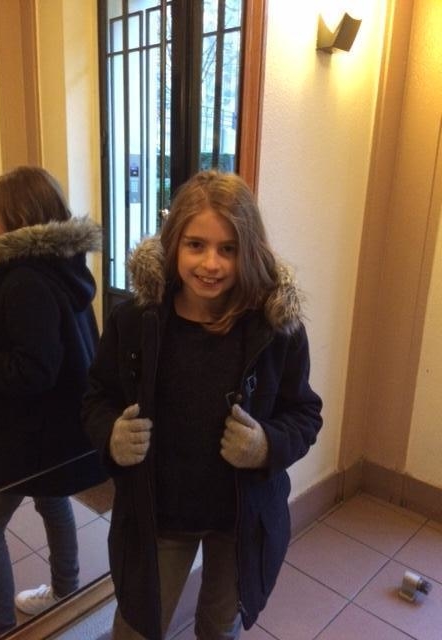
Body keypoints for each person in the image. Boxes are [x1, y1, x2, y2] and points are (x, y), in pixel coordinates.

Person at [82, 169, 323, 640]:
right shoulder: (134, 322)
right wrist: (111, 433)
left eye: (228, 249)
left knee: (218, 626)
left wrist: (266, 445)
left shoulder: (275, 329)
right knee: (135, 627)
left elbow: (304, 413)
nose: (211, 264)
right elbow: (96, 397)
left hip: (240, 517)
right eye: (196, 245)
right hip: (160, 512)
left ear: (248, 250)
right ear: (174, 244)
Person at [0, 166, 106, 640]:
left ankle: (1, 631)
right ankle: (66, 591)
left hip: (31, 435)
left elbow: (31, 371)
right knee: (52, 498)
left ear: (19, 216)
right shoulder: (64, 264)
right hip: (61, 428)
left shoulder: (27, 280)